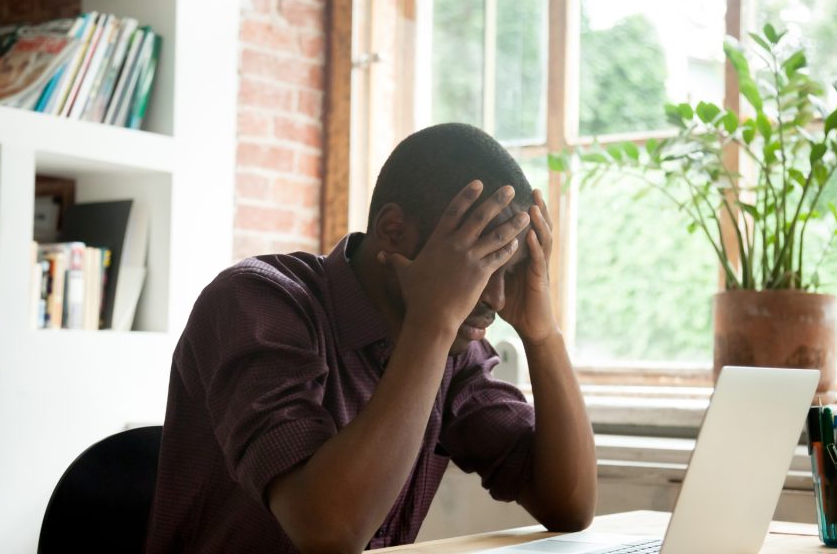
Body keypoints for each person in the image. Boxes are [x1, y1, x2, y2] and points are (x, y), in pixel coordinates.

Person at [145, 123, 597, 553]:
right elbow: (327, 532)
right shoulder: (256, 301)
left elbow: (568, 506)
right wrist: (431, 326)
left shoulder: (452, 346)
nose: (495, 299)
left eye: (508, 270)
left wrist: (543, 334)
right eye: (475, 263)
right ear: (393, 231)